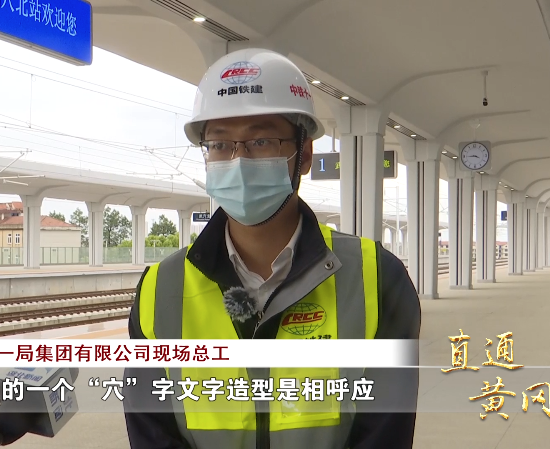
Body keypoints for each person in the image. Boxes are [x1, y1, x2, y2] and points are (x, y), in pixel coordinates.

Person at [122, 48, 420, 449]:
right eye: (220, 144)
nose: (238, 160)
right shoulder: (160, 290)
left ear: (304, 154)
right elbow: (152, 433)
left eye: (261, 140)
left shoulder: (377, 280)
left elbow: (385, 435)